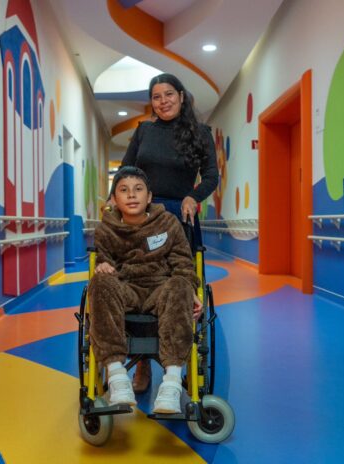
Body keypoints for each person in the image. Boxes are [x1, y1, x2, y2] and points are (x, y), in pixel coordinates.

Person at [122, 73, 219, 393]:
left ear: (181, 96)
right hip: (143, 216)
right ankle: (142, 364)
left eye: (168, 94)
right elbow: (126, 170)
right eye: (156, 96)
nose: (163, 101)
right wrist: (115, 199)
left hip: (180, 214)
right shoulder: (144, 131)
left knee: (180, 286)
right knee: (141, 283)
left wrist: (194, 196)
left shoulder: (200, 133)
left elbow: (211, 176)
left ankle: (181, 361)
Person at [89, 166, 202, 413]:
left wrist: (190, 289)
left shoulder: (168, 222)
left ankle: (172, 383)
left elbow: (183, 263)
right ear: (114, 199)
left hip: (161, 288)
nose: (131, 195)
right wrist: (104, 266)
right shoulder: (106, 230)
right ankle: (117, 378)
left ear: (149, 196)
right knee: (99, 282)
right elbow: (105, 261)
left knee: (180, 284)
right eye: (124, 190)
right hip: (126, 288)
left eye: (138, 189)